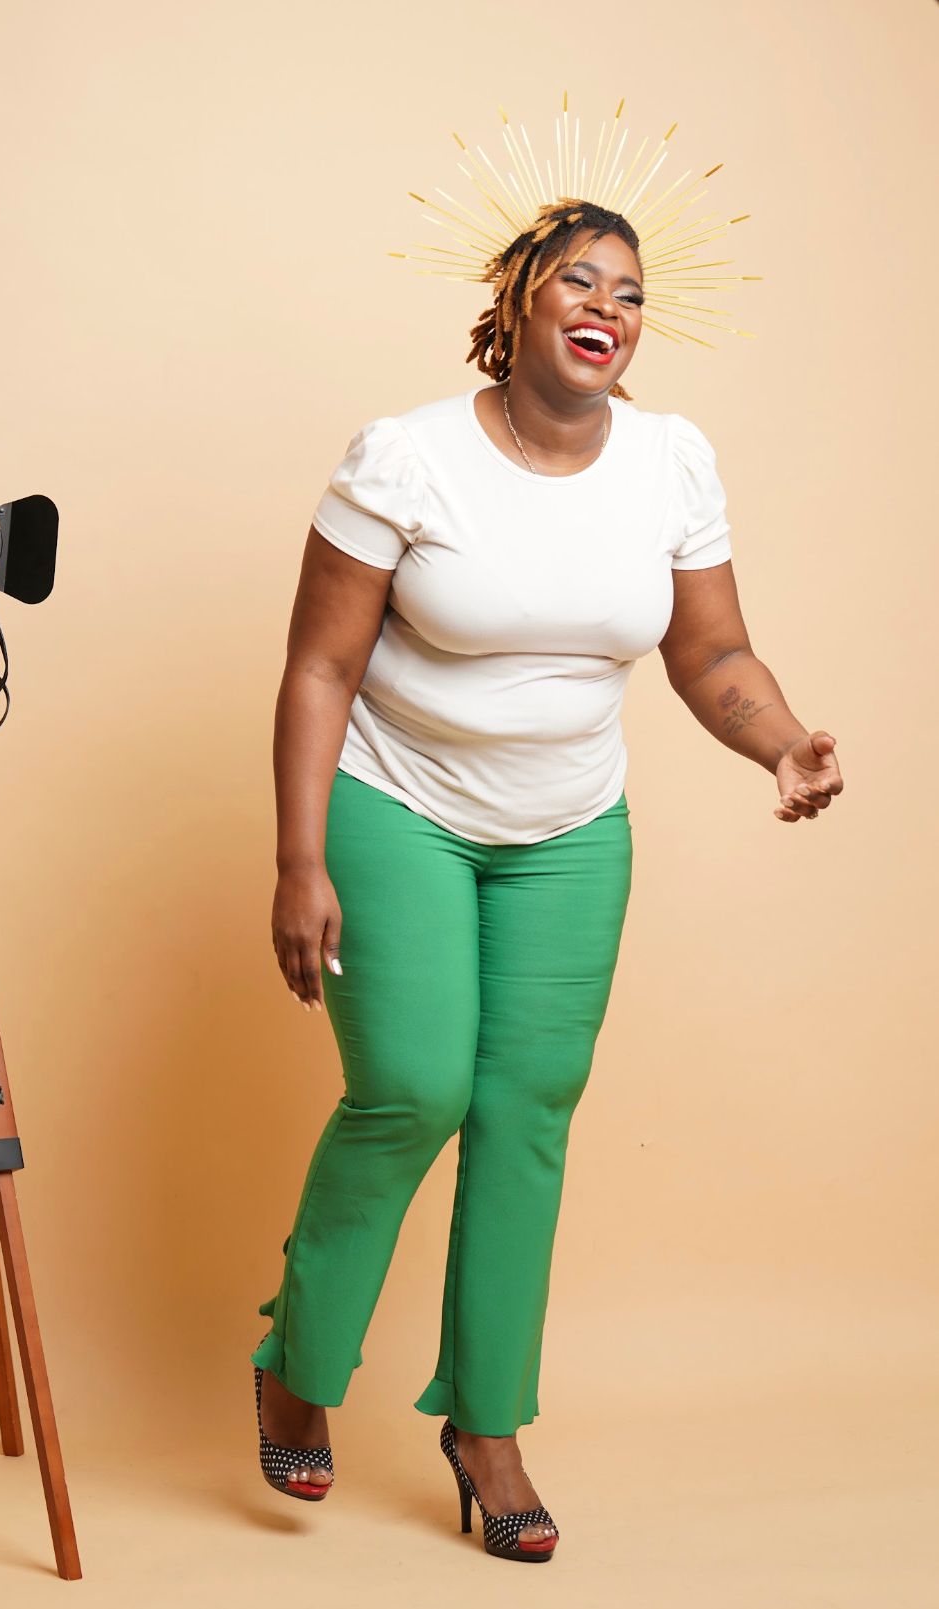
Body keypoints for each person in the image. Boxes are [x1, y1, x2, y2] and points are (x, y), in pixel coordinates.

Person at [250, 195, 844, 1562]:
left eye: (629, 293)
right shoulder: (405, 458)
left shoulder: (673, 461)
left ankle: (486, 1421)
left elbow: (711, 657)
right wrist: (297, 858)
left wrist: (781, 744)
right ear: (514, 300)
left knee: (526, 1111)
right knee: (415, 1084)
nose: (606, 306)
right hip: (396, 805)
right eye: (578, 280)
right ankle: (299, 1353)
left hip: (571, 826)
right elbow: (321, 666)